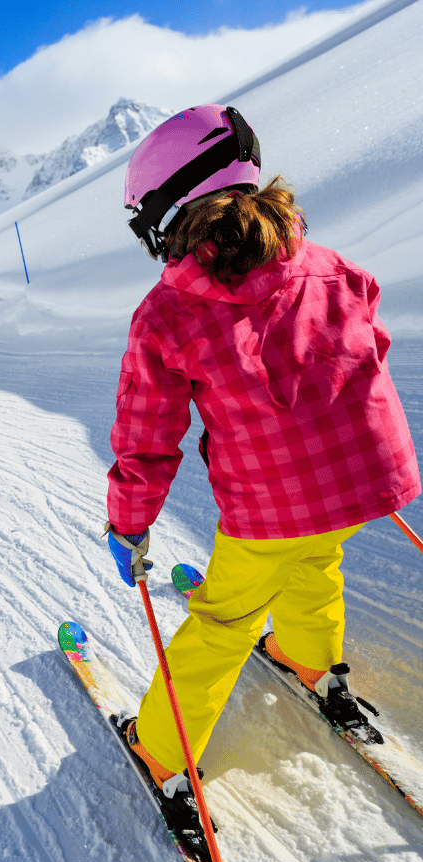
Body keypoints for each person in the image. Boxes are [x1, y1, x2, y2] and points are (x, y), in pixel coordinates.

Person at [105, 105, 421, 811]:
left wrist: (130, 523)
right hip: (367, 484)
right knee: (316, 557)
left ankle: (158, 749)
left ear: (172, 209)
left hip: (271, 507)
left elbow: (146, 436)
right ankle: (309, 657)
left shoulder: (169, 312)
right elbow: (370, 351)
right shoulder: (331, 266)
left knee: (224, 621)